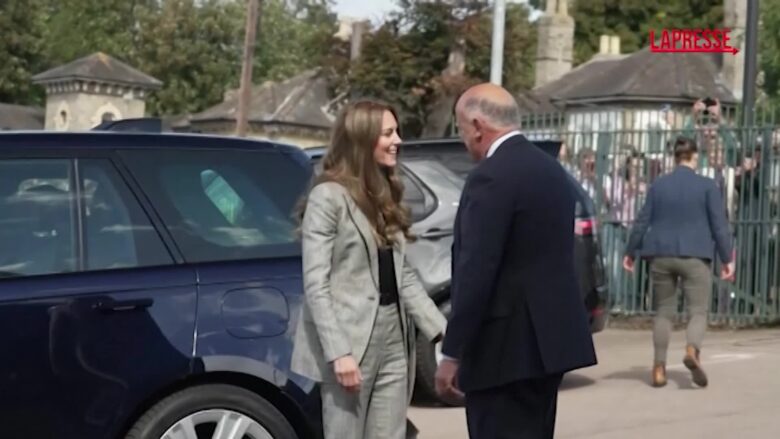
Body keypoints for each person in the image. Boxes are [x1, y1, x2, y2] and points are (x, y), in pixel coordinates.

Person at [434, 83, 598, 439]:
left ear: (478, 126)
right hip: (549, 347)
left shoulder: (491, 176)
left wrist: (452, 353)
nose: (463, 139)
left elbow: (476, 269)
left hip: (503, 352)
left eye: (461, 129)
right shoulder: (551, 170)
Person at [290, 99, 447, 439]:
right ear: (363, 139)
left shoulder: (385, 191)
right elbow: (316, 284)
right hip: (349, 339)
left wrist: (441, 330)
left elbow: (401, 274)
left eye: (397, 132)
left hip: (394, 334)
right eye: (388, 133)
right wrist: (339, 354)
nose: (398, 141)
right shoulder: (328, 197)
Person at [623, 136, 735, 388]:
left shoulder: (658, 186)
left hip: (661, 255)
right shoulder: (707, 186)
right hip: (696, 254)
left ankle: (659, 368)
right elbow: (719, 226)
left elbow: (642, 221)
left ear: (674, 158)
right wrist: (727, 258)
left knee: (664, 311)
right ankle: (692, 350)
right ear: (695, 157)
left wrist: (630, 252)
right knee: (697, 310)